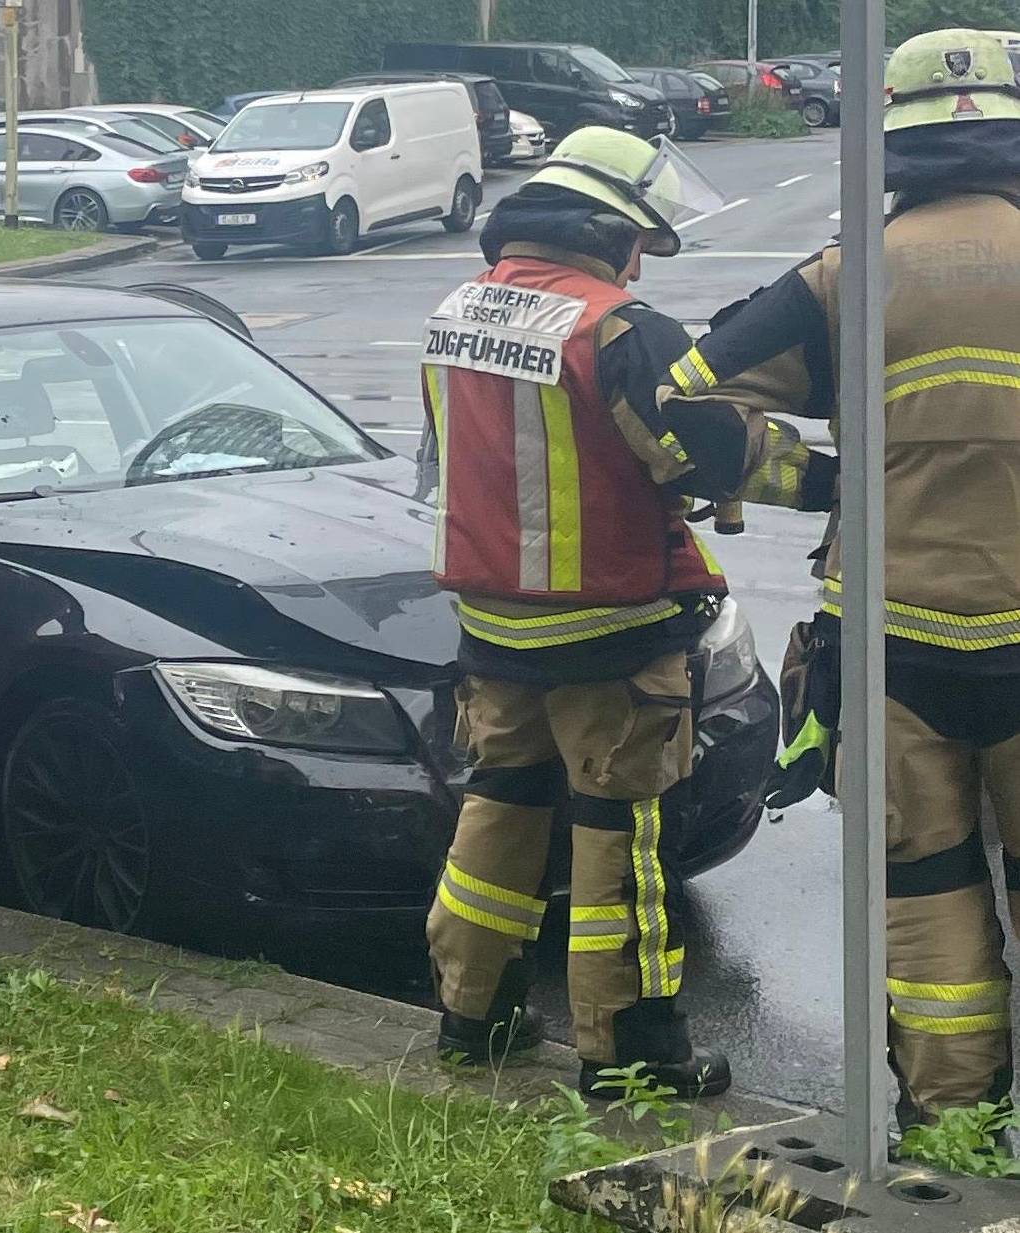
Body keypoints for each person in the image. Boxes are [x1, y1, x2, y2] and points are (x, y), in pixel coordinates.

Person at [419, 126, 824, 1100]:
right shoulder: (616, 329)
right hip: (608, 634)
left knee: (497, 814)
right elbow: (714, 452)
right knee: (621, 843)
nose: (638, 264)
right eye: (638, 241)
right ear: (603, 229)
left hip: (493, 627)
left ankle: (471, 1015)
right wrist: (833, 484)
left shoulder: (455, 311)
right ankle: (631, 1051)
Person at [672, 26, 1020, 1128]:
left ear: (887, 144)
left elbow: (684, 403)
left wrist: (825, 481)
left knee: (923, 889)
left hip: (889, 643)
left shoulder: (840, 276)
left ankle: (952, 1123)